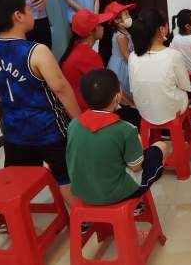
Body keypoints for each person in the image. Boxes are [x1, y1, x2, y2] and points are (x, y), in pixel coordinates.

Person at [0, 0, 81, 211]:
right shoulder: (36, 50)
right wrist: (79, 119)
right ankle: (82, 219)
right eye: (28, 8)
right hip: (49, 129)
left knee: (17, 177)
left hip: (13, 130)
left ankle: (12, 218)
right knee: (66, 177)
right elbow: (61, 89)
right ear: (18, 16)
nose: (31, 12)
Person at [66, 69, 167, 207]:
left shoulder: (73, 124)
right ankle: (137, 203)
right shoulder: (125, 129)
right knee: (161, 147)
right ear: (118, 97)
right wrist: (138, 142)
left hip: (83, 192)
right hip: (115, 193)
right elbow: (135, 166)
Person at [129, 8, 191, 124]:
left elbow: (133, 88)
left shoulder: (133, 56)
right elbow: (186, 87)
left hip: (144, 111)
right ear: (162, 29)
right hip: (171, 111)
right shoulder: (174, 55)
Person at [105, 1, 136, 103]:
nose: (129, 16)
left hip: (118, 62)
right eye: (126, 14)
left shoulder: (123, 31)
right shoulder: (121, 36)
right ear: (117, 20)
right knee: (125, 87)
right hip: (123, 66)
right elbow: (126, 56)